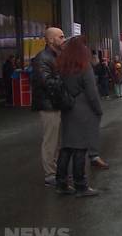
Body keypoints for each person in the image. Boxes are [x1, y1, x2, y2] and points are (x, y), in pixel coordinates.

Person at [55, 36, 101, 197]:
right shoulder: (84, 66)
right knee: (80, 148)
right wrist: (98, 109)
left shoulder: (62, 65)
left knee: (66, 147)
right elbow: (92, 93)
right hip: (82, 109)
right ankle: (81, 185)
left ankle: (61, 183)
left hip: (67, 108)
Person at [31, 27, 65, 186]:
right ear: (51, 40)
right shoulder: (42, 58)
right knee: (50, 140)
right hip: (48, 106)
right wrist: (64, 78)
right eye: (61, 37)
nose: (63, 40)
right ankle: (50, 174)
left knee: (57, 140)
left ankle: (56, 170)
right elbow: (47, 83)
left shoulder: (55, 57)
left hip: (56, 104)